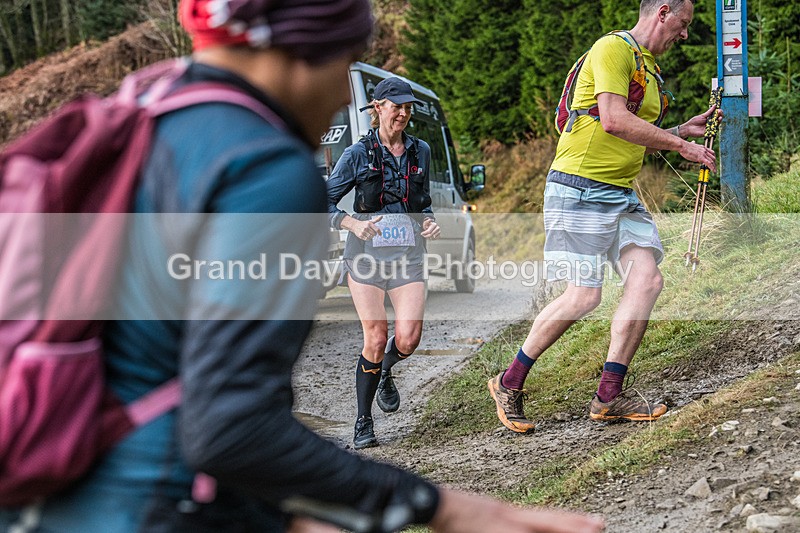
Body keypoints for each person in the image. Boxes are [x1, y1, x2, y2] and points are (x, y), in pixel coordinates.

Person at [0, 1, 604, 532]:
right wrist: (445, 508)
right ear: (300, 51)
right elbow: (232, 429)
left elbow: (153, 361)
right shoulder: (266, 169)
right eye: (347, 62)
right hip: (150, 502)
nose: (347, 95)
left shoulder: (145, 111)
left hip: (51, 473)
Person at [489, 0, 720, 432]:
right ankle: (509, 382)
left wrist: (677, 132)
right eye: (683, 25)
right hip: (578, 186)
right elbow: (613, 121)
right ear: (663, 12)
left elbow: (629, 133)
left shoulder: (647, 67)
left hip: (619, 192)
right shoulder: (613, 49)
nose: (685, 35)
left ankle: (608, 397)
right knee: (584, 296)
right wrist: (682, 148)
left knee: (647, 280)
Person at [326, 77, 439, 450]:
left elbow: (421, 202)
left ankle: (386, 370)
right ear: (378, 108)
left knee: (408, 338)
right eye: (396, 107)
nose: (404, 114)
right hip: (365, 259)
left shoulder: (420, 151)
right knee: (375, 337)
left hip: (408, 258)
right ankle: (363, 422)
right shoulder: (357, 154)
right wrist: (352, 222)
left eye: (408, 108)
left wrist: (428, 220)